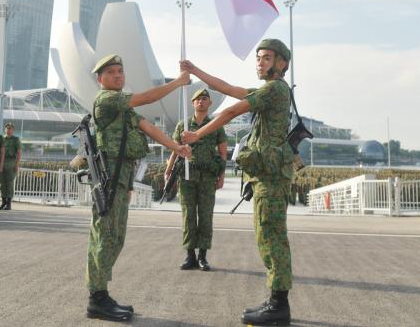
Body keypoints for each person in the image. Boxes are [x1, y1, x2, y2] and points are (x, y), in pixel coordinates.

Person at [181, 39, 295, 326]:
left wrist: (197, 135)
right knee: (266, 237)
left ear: (281, 63)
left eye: (267, 57)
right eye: (258, 57)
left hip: (270, 178)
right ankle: (275, 301)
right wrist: (196, 70)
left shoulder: (275, 89)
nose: (260, 62)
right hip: (265, 176)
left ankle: (279, 305)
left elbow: (231, 110)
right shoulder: (270, 91)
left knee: (272, 239)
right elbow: (228, 89)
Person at [85, 54, 191, 322]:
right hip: (109, 180)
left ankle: (102, 293)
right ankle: (96, 298)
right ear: (100, 80)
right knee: (105, 236)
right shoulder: (107, 100)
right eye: (111, 72)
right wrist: (178, 82)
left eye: (121, 71)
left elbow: (148, 127)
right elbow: (147, 98)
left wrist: (176, 148)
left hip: (119, 179)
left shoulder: (123, 108)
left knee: (115, 237)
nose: (118, 75)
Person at [164, 88, 227, 271]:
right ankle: (190, 255)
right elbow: (175, 149)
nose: (201, 101)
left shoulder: (216, 125)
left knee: (206, 216)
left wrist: (221, 176)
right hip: (186, 176)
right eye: (197, 99)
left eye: (204, 99)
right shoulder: (183, 125)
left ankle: (203, 257)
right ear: (192, 103)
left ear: (209, 103)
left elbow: (223, 152)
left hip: (208, 177)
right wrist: (168, 171)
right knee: (188, 216)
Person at [0, 123, 21, 210]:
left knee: (9, 184)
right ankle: (3, 203)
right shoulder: (2, 138)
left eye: (10, 128)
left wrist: (17, 165)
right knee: (2, 184)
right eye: (7, 128)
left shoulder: (16, 139)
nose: (8, 130)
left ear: (13, 130)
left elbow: (18, 153)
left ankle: (9, 203)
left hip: (11, 162)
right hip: (2, 162)